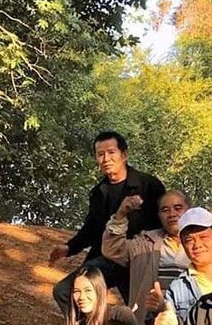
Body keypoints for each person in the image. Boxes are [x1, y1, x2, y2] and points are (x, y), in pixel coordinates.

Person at [48, 131, 166, 308]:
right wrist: (69, 247)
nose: (106, 159)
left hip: (138, 259)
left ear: (124, 155)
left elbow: (164, 221)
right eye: (100, 154)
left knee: (142, 311)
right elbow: (91, 228)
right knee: (65, 291)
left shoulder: (148, 185)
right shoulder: (98, 193)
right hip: (106, 259)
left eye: (111, 152)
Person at [100, 189, 191, 325]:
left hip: (190, 322)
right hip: (151, 322)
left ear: (189, 210)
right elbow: (112, 249)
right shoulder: (146, 242)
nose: (172, 214)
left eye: (178, 208)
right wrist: (121, 214)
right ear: (159, 215)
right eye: (165, 210)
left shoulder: (204, 245)